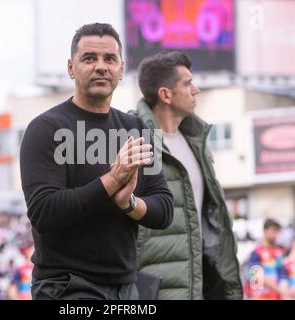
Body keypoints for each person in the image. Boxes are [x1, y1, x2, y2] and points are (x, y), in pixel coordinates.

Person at [20, 23, 173, 300]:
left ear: (121, 69)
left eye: (109, 59)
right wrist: (112, 181)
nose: (101, 66)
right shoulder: (46, 128)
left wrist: (129, 204)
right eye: (89, 58)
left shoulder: (136, 129)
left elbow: (163, 208)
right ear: (70, 68)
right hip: (67, 287)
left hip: (126, 287)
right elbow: (44, 211)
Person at [133, 51, 242, 299]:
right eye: (187, 83)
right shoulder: (131, 137)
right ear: (165, 94)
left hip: (199, 286)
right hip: (154, 291)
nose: (196, 90)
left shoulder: (196, 141)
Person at [247, 219, 286, 300]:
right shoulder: (256, 252)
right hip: (260, 296)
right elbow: (256, 276)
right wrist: (279, 289)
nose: (275, 234)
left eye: (277, 231)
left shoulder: (279, 252)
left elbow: (281, 272)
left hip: (276, 296)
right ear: (265, 231)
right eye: (273, 230)